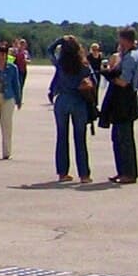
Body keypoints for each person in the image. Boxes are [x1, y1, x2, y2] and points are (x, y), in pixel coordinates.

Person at [48, 35, 95, 183]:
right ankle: (84, 174)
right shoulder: (84, 65)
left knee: (62, 136)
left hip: (62, 100)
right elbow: (94, 80)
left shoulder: (60, 64)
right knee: (80, 138)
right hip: (78, 100)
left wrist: (59, 40)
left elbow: (49, 51)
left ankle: (63, 172)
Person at [102, 26, 138, 184]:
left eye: (120, 38)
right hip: (125, 99)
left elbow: (123, 81)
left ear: (125, 40)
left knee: (124, 138)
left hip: (124, 99)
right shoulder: (133, 53)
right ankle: (122, 171)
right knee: (118, 137)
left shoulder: (130, 57)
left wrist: (107, 75)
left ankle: (129, 173)